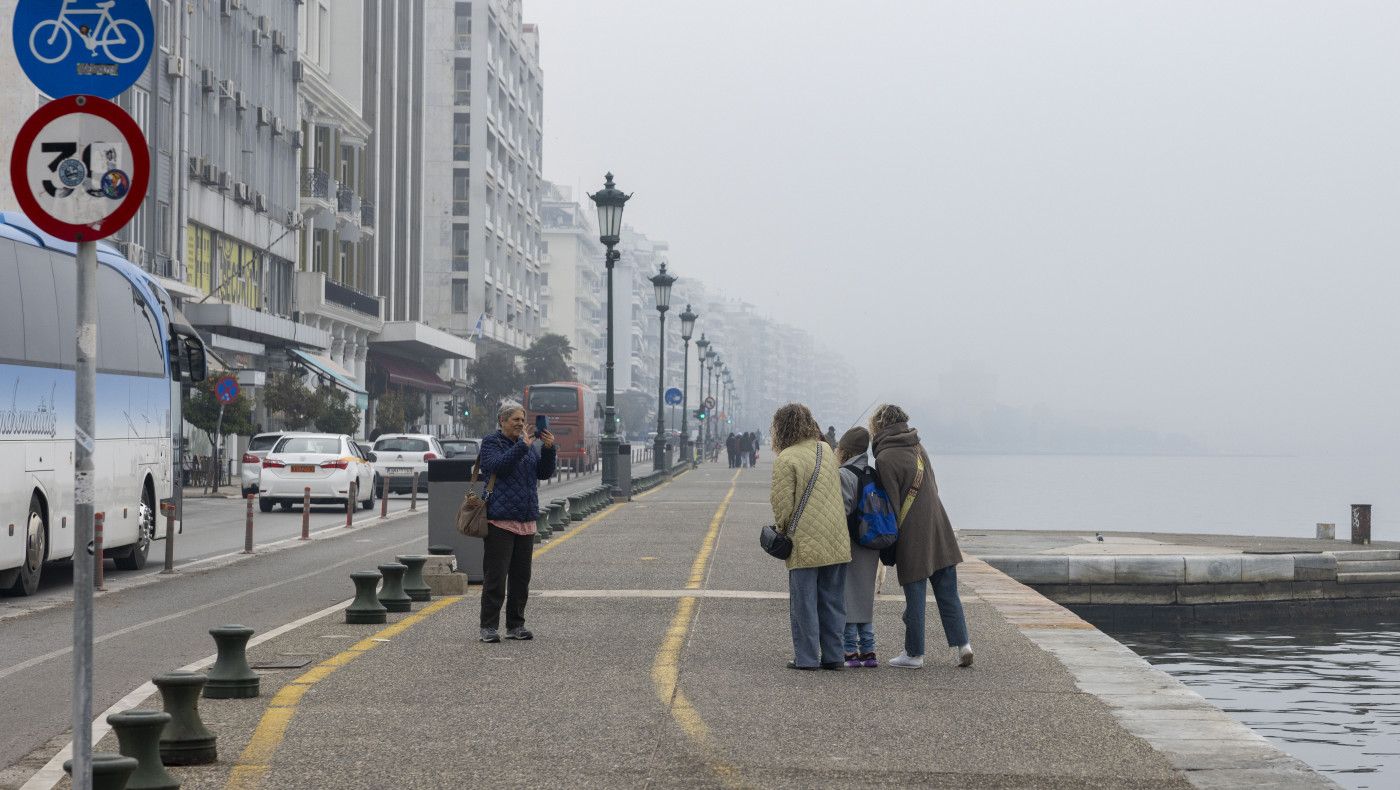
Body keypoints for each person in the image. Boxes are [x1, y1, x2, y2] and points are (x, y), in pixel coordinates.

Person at [868, 404, 973, 668]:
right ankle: (964, 646)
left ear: (879, 426)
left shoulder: (885, 458)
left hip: (913, 533)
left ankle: (914, 654)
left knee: (915, 597)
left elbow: (890, 504)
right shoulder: (917, 447)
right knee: (948, 592)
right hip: (939, 525)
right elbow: (933, 485)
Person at [769, 403, 851, 670]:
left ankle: (806, 659)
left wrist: (781, 532)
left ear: (781, 428)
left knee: (804, 604)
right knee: (833, 602)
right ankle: (834, 656)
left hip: (805, 540)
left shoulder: (786, 458)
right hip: (836, 537)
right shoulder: (827, 450)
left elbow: (783, 506)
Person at [478, 402, 556, 643]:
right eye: (515, 420)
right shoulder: (492, 442)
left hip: (526, 519)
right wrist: (522, 447)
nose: (521, 424)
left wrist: (549, 449)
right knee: (496, 578)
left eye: (523, 420)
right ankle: (488, 627)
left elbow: (543, 473)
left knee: (521, 578)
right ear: (502, 421)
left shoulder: (529, 446)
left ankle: (516, 624)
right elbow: (497, 467)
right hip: (499, 520)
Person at [836, 427, 880, 668]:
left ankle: (850, 651)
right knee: (864, 596)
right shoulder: (872, 471)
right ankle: (869, 650)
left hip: (851, 541)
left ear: (844, 450)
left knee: (848, 596)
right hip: (871, 542)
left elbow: (842, 511)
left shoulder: (844, 474)